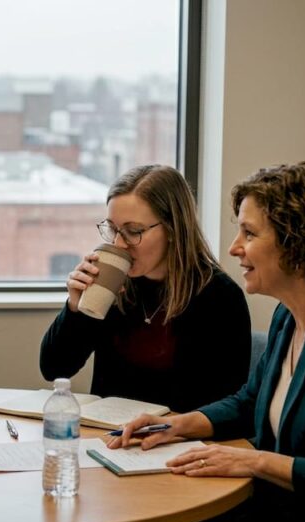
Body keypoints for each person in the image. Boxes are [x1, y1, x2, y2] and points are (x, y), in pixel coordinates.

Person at [112, 161, 305, 522]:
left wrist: (256, 461)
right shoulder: (289, 315)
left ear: (297, 242)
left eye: (249, 233)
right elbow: (250, 401)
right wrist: (176, 424)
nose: (234, 248)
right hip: (267, 514)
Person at [39, 165, 251, 413]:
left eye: (133, 231)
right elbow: (53, 369)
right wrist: (75, 309)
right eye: (113, 229)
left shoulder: (219, 297)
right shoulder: (116, 285)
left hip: (178, 441)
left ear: (173, 229)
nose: (119, 243)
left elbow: (223, 405)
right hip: (109, 438)